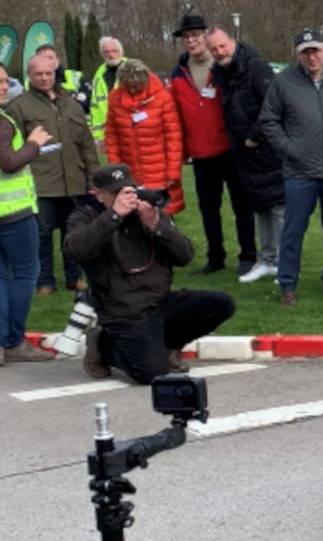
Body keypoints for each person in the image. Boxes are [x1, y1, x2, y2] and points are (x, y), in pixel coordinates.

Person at [64, 164, 235, 385]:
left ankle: (169, 346)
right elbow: (76, 250)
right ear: (97, 194)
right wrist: (113, 216)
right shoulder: (85, 216)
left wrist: (156, 226)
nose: (126, 198)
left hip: (160, 301)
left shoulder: (148, 212)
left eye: (128, 190)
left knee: (221, 303)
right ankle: (104, 345)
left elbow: (185, 256)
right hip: (123, 312)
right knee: (152, 374)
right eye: (116, 193)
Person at [259, 29, 323, 305]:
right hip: (299, 173)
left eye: (315, 50)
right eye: (305, 52)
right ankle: (287, 285)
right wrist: (290, 149)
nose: (312, 56)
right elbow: (268, 120)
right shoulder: (283, 82)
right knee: (293, 231)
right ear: (298, 55)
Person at [4, 54, 98, 296]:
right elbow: (13, 148)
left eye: (49, 73)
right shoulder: (18, 107)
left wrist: (93, 177)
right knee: (42, 235)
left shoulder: (72, 104)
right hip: (42, 182)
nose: (45, 78)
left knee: (74, 231)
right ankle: (45, 281)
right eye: (39, 74)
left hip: (74, 180)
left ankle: (74, 277)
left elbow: (87, 144)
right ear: (29, 76)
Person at [171, 16, 255, 275]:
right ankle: (215, 257)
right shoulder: (178, 73)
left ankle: (248, 255)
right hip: (201, 153)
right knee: (208, 210)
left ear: (205, 36)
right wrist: (184, 150)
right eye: (186, 37)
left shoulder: (223, 66)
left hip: (230, 149)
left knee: (241, 206)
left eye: (195, 35)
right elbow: (176, 115)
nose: (191, 40)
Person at [207, 28, 286, 284]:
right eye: (214, 49)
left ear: (233, 41)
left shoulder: (256, 67)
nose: (219, 52)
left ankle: (285, 263)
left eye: (222, 46)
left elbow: (273, 105)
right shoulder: (220, 73)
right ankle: (267, 260)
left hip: (266, 149)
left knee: (277, 207)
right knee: (259, 206)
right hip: (243, 153)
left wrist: (254, 135)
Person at [0, 63, 56, 366]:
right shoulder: (3, 120)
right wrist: (34, 144)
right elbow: (9, 163)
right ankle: (13, 341)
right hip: (12, 213)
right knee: (25, 273)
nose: (4, 87)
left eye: (5, 80)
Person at [105, 60, 186, 216]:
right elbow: (112, 137)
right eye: (128, 86)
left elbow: (173, 137)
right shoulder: (114, 99)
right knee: (133, 220)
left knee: (162, 220)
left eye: (137, 86)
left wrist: (173, 172)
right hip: (129, 172)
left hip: (160, 172)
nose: (133, 90)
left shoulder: (162, 97)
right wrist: (116, 168)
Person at [25, 45, 91, 113]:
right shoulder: (29, 82)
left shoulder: (76, 76)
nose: (47, 61)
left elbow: (89, 104)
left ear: (58, 60)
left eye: (50, 58)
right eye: (43, 59)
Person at [90, 37, 127, 143]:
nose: (110, 55)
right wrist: (98, 137)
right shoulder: (98, 75)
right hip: (108, 134)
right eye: (106, 52)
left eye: (114, 51)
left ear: (121, 52)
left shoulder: (133, 69)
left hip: (131, 131)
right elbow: (95, 107)